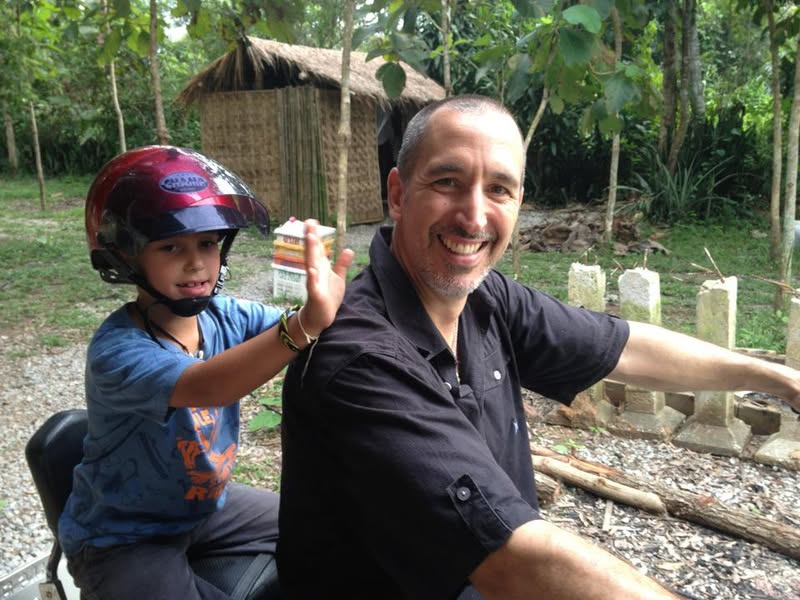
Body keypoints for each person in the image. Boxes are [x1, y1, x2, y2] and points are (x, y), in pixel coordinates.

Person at [277, 95, 800, 600]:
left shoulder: (487, 299)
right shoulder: (359, 358)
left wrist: (778, 380)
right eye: (448, 182)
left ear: (519, 201)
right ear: (397, 192)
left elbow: (623, 347)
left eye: (499, 189)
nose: (475, 217)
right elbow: (512, 559)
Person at [58, 145, 353, 600]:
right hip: (124, 537)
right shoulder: (117, 351)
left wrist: (336, 304)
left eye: (207, 243)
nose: (196, 262)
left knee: (322, 525)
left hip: (205, 509)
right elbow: (208, 385)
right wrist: (306, 323)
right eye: (171, 246)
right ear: (126, 255)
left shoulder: (222, 315)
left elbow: (283, 323)